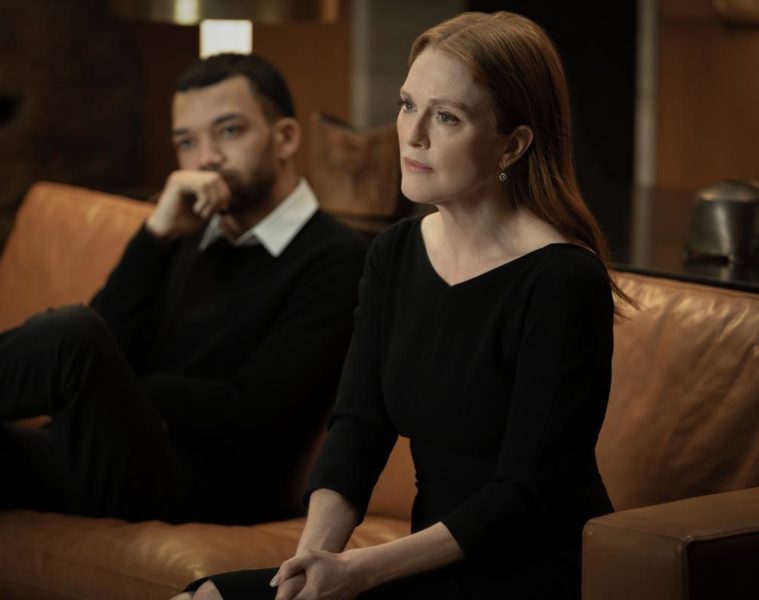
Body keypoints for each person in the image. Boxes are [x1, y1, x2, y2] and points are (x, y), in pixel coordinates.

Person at [181, 11, 631, 599]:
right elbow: (358, 429)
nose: (412, 135)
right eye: (407, 104)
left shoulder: (562, 279)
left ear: (513, 144)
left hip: (529, 567)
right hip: (422, 563)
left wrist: (359, 571)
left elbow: (523, 494)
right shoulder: (394, 253)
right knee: (204, 596)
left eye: (446, 117)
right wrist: (309, 564)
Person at [0, 53, 366, 525]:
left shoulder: (337, 258)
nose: (206, 158)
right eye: (187, 142)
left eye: (229, 131)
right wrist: (155, 237)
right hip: (96, 453)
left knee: (73, 335)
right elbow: (112, 338)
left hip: (200, 486)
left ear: (286, 138)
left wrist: (117, 384)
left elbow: (253, 417)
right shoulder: (184, 232)